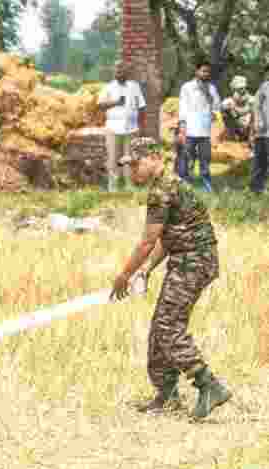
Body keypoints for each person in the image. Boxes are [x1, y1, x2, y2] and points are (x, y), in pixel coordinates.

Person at [110, 139, 232, 420]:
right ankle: (166, 394)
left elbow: (147, 241)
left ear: (154, 157)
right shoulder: (169, 184)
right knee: (161, 325)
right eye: (130, 167)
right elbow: (168, 236)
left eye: (136, 165)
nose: (133, 173)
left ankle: (209, 385)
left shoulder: (162, 190)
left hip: (193, 262)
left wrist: (124, 275)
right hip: (188, 259)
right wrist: (148, 269)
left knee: (168, 326)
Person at [97, 61, 147, 191]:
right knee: (113, 158)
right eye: (117, 69)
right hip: (113, 128)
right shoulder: (108, 87)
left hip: (132, 129)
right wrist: (116, 102)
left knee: (129, 158)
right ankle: (113, 187)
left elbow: (141, 106)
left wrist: (141, 126)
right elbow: (100, 105)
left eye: (122, 69)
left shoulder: (134, 86)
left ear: (127, 72)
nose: (119, 71)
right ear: (114, 71)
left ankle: (129, 185)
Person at [177, 61, 221, 193]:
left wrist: (208, 95)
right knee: (186, 157)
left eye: (208, 72)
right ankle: (184, 182)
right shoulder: (187, 87)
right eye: (203, 71)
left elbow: (217, 106)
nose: (206, 74)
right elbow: (182, 108)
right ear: (197, 71)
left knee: (205, 158)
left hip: (205, 131)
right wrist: (182, 126)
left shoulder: (212, 88)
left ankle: (205, 182)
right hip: (190, 129)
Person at [220, 76, 254, 142]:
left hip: (249, 129)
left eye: (243, 88)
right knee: (226, 109)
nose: (241, 90)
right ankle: (231, 135)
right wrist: (232, 109)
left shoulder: (252, 100)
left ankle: (250, 137)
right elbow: (224, 112)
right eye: (238, 89)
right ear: (233, 89)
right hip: (235, 129)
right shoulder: (228, 102)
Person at [251, 74, 269, 194]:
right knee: (260, 161)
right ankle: (257, 188)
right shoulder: (265, 86)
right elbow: (256, 105)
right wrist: (258, 122)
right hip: (263, 132)